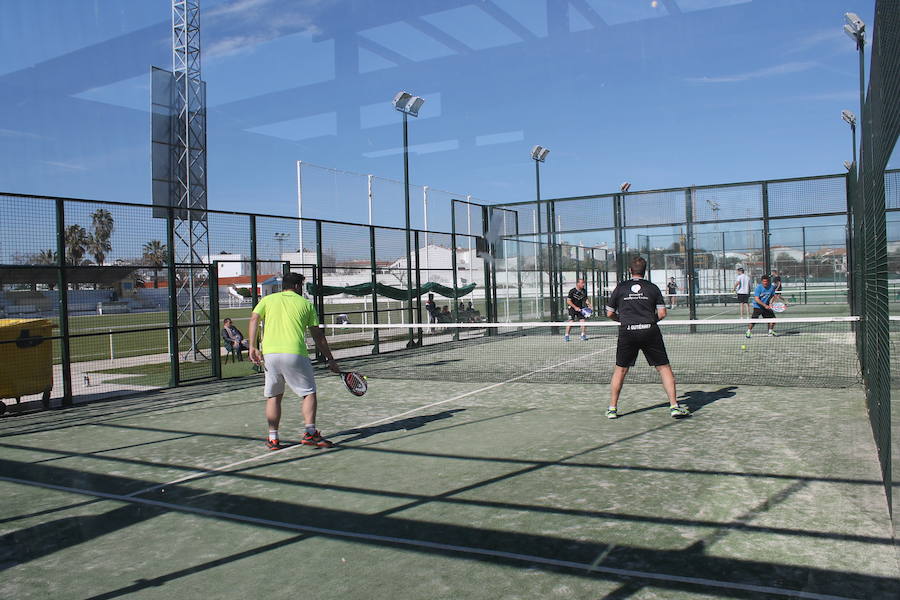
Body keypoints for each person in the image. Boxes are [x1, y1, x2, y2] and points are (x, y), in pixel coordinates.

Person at [248, 273, 341, 450]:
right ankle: (310, 432)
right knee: (309, 393)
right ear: (298, 286)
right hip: (295, 353)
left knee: (274, 396)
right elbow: (318, 337)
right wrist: (330, 359)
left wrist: (252, 346)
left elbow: (254, 319)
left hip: (270, 356)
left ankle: (273, 438)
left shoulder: (268, 300)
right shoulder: (306, 304)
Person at [604, 256, 690, 420]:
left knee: (620, 370)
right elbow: (662, 313)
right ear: (645, 271)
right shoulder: (652, 288)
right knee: (664, 368)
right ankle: (674, 406)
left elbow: (609, 313)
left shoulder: (621, 287)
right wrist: (649, 322)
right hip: (650, 331)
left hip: (627, 331)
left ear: (630, 271)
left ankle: (612, 409)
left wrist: (623, 321)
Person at [564, 277, 591, 342]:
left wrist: (589, 304)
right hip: (572, 308)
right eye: (582, 283)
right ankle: (566, 336)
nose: (583, 284)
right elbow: (568, 301)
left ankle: (583, 335)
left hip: (580, 308)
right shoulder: (572, 291)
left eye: (583, 283)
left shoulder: (584, 291)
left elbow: (585, 299)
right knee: (571, 322)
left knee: (583, 321)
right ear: (578, 284)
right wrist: (575, 307)